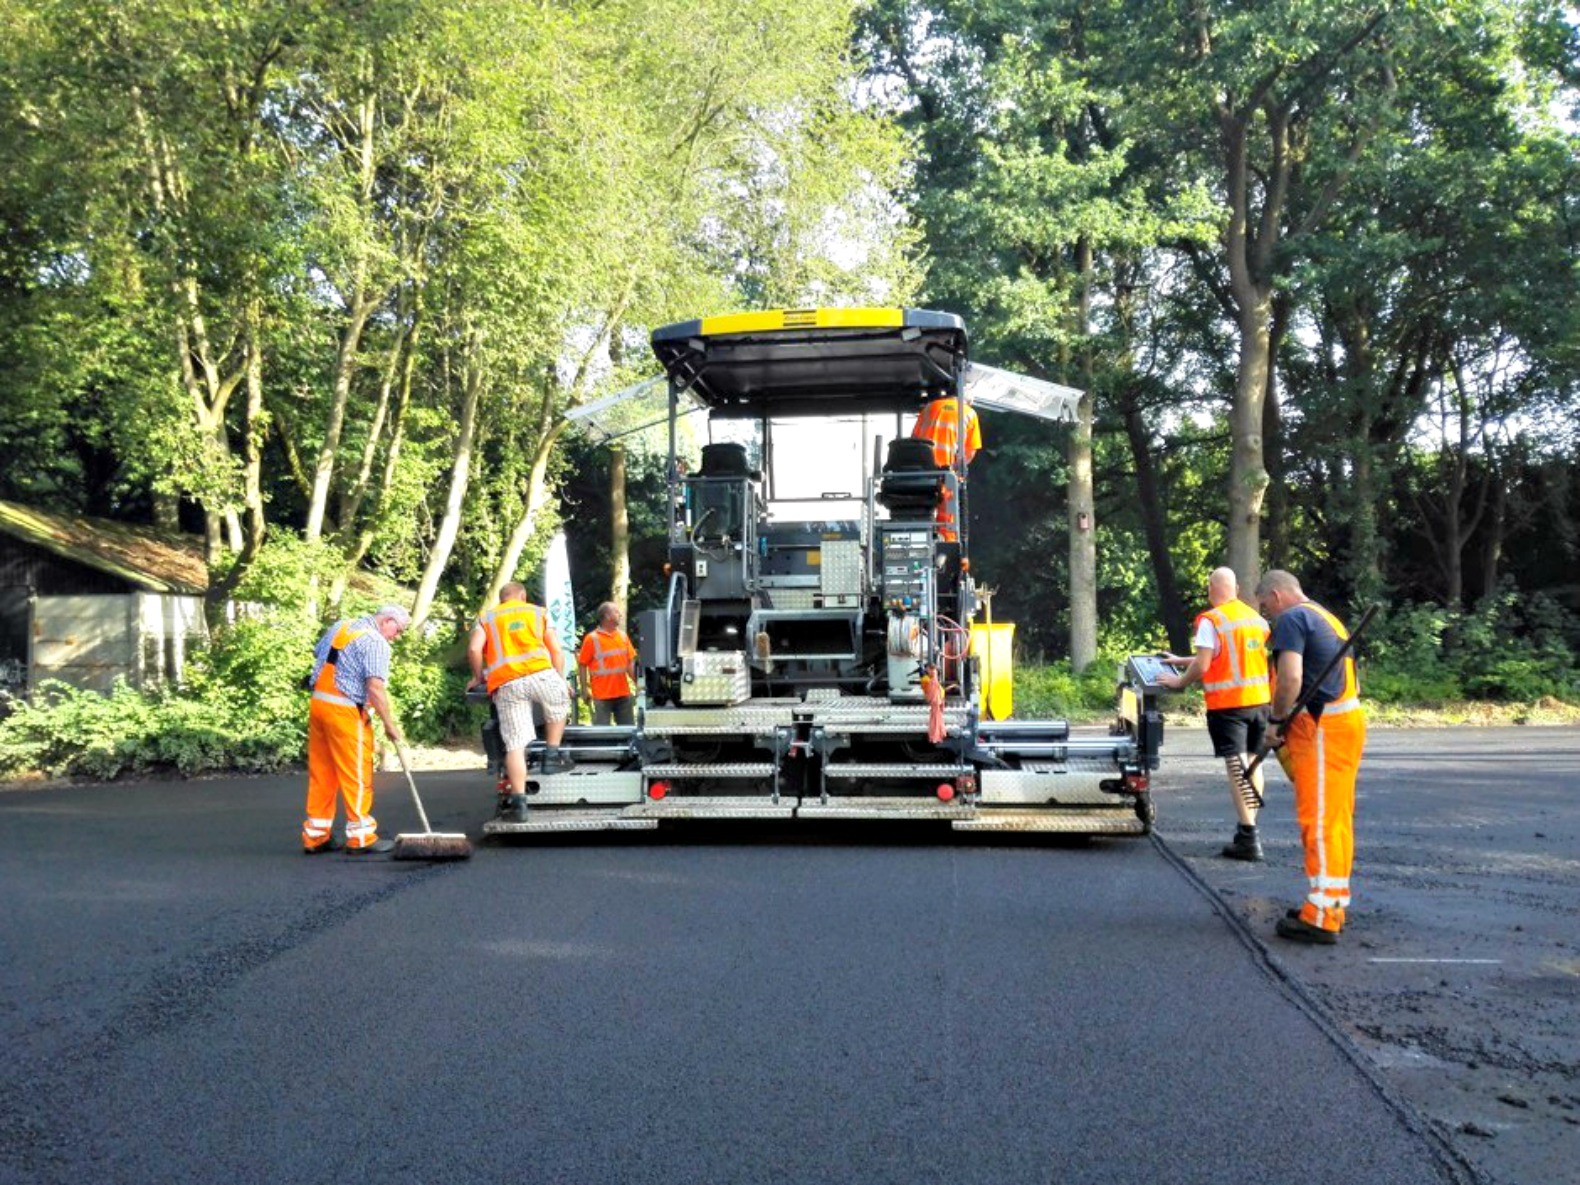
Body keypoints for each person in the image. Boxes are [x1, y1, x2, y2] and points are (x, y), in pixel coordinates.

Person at [1255, 569, 1368, 945]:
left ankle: (1320, 917)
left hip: (1322, 730)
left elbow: (1290, 679)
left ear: (1277, 594)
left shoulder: (1291, 618)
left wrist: (1275, 723)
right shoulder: (1324, 615)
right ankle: (1332, 903)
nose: (1265, 613)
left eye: (1265, 605)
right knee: (1336, 820)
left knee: (1319, 822)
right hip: (1344, 723)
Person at [1157, 567, 1272, 861]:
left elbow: (1205, 664)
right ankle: (1249, 828)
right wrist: (1181, 660)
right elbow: (1220, 654)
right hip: (1259, 703)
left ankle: (1248, 838)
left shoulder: (1212, 620)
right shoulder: (1255, 619)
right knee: (1252, 763)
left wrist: (1179, 681)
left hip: (1229, 706)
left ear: (1212, 587)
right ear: (1235, 588)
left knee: (1236, 768)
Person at [302, 604, 410, 855]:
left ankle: (316, 836)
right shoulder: (375, 642)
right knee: (357, 775)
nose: (397, 636)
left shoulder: (341, 626)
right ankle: (361, 837)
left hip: (319, 705)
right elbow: (374, 687)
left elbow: (321, 654)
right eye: (399, 630)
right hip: (345, 712)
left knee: (322, 774)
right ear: (387, 621)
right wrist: (389, 724)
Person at [467, 581, 574, 823]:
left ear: (502, 598)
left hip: (507, 684)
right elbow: (556, 651)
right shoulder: (538, 612)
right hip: (541, 675)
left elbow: (474, 649)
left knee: (515, 744)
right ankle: (551, 756)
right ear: (523, 596)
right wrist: (560, 680)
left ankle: (519, 804)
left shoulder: (487, 618)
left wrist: (478, 676)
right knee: (558, 703)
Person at [910, 392, 981, 542]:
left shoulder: (929, 407)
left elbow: (913, 440)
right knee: (948, 518)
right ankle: (946, 544)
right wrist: (957, 470)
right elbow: (970, 452)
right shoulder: (969, 413)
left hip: (920, 473)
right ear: (968, 399)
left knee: (920, 511)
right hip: (945, 475)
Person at [577, 601, 639, 726]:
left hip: (623, 693)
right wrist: (584, 688)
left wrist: (639, 684)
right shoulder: (592, 639)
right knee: (601, 733)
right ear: (607, 616)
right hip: (601, 695)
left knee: (628, 730)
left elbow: (630, 664)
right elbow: (582, 664)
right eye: (616, 612)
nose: (620, 614)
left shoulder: (622, 636)